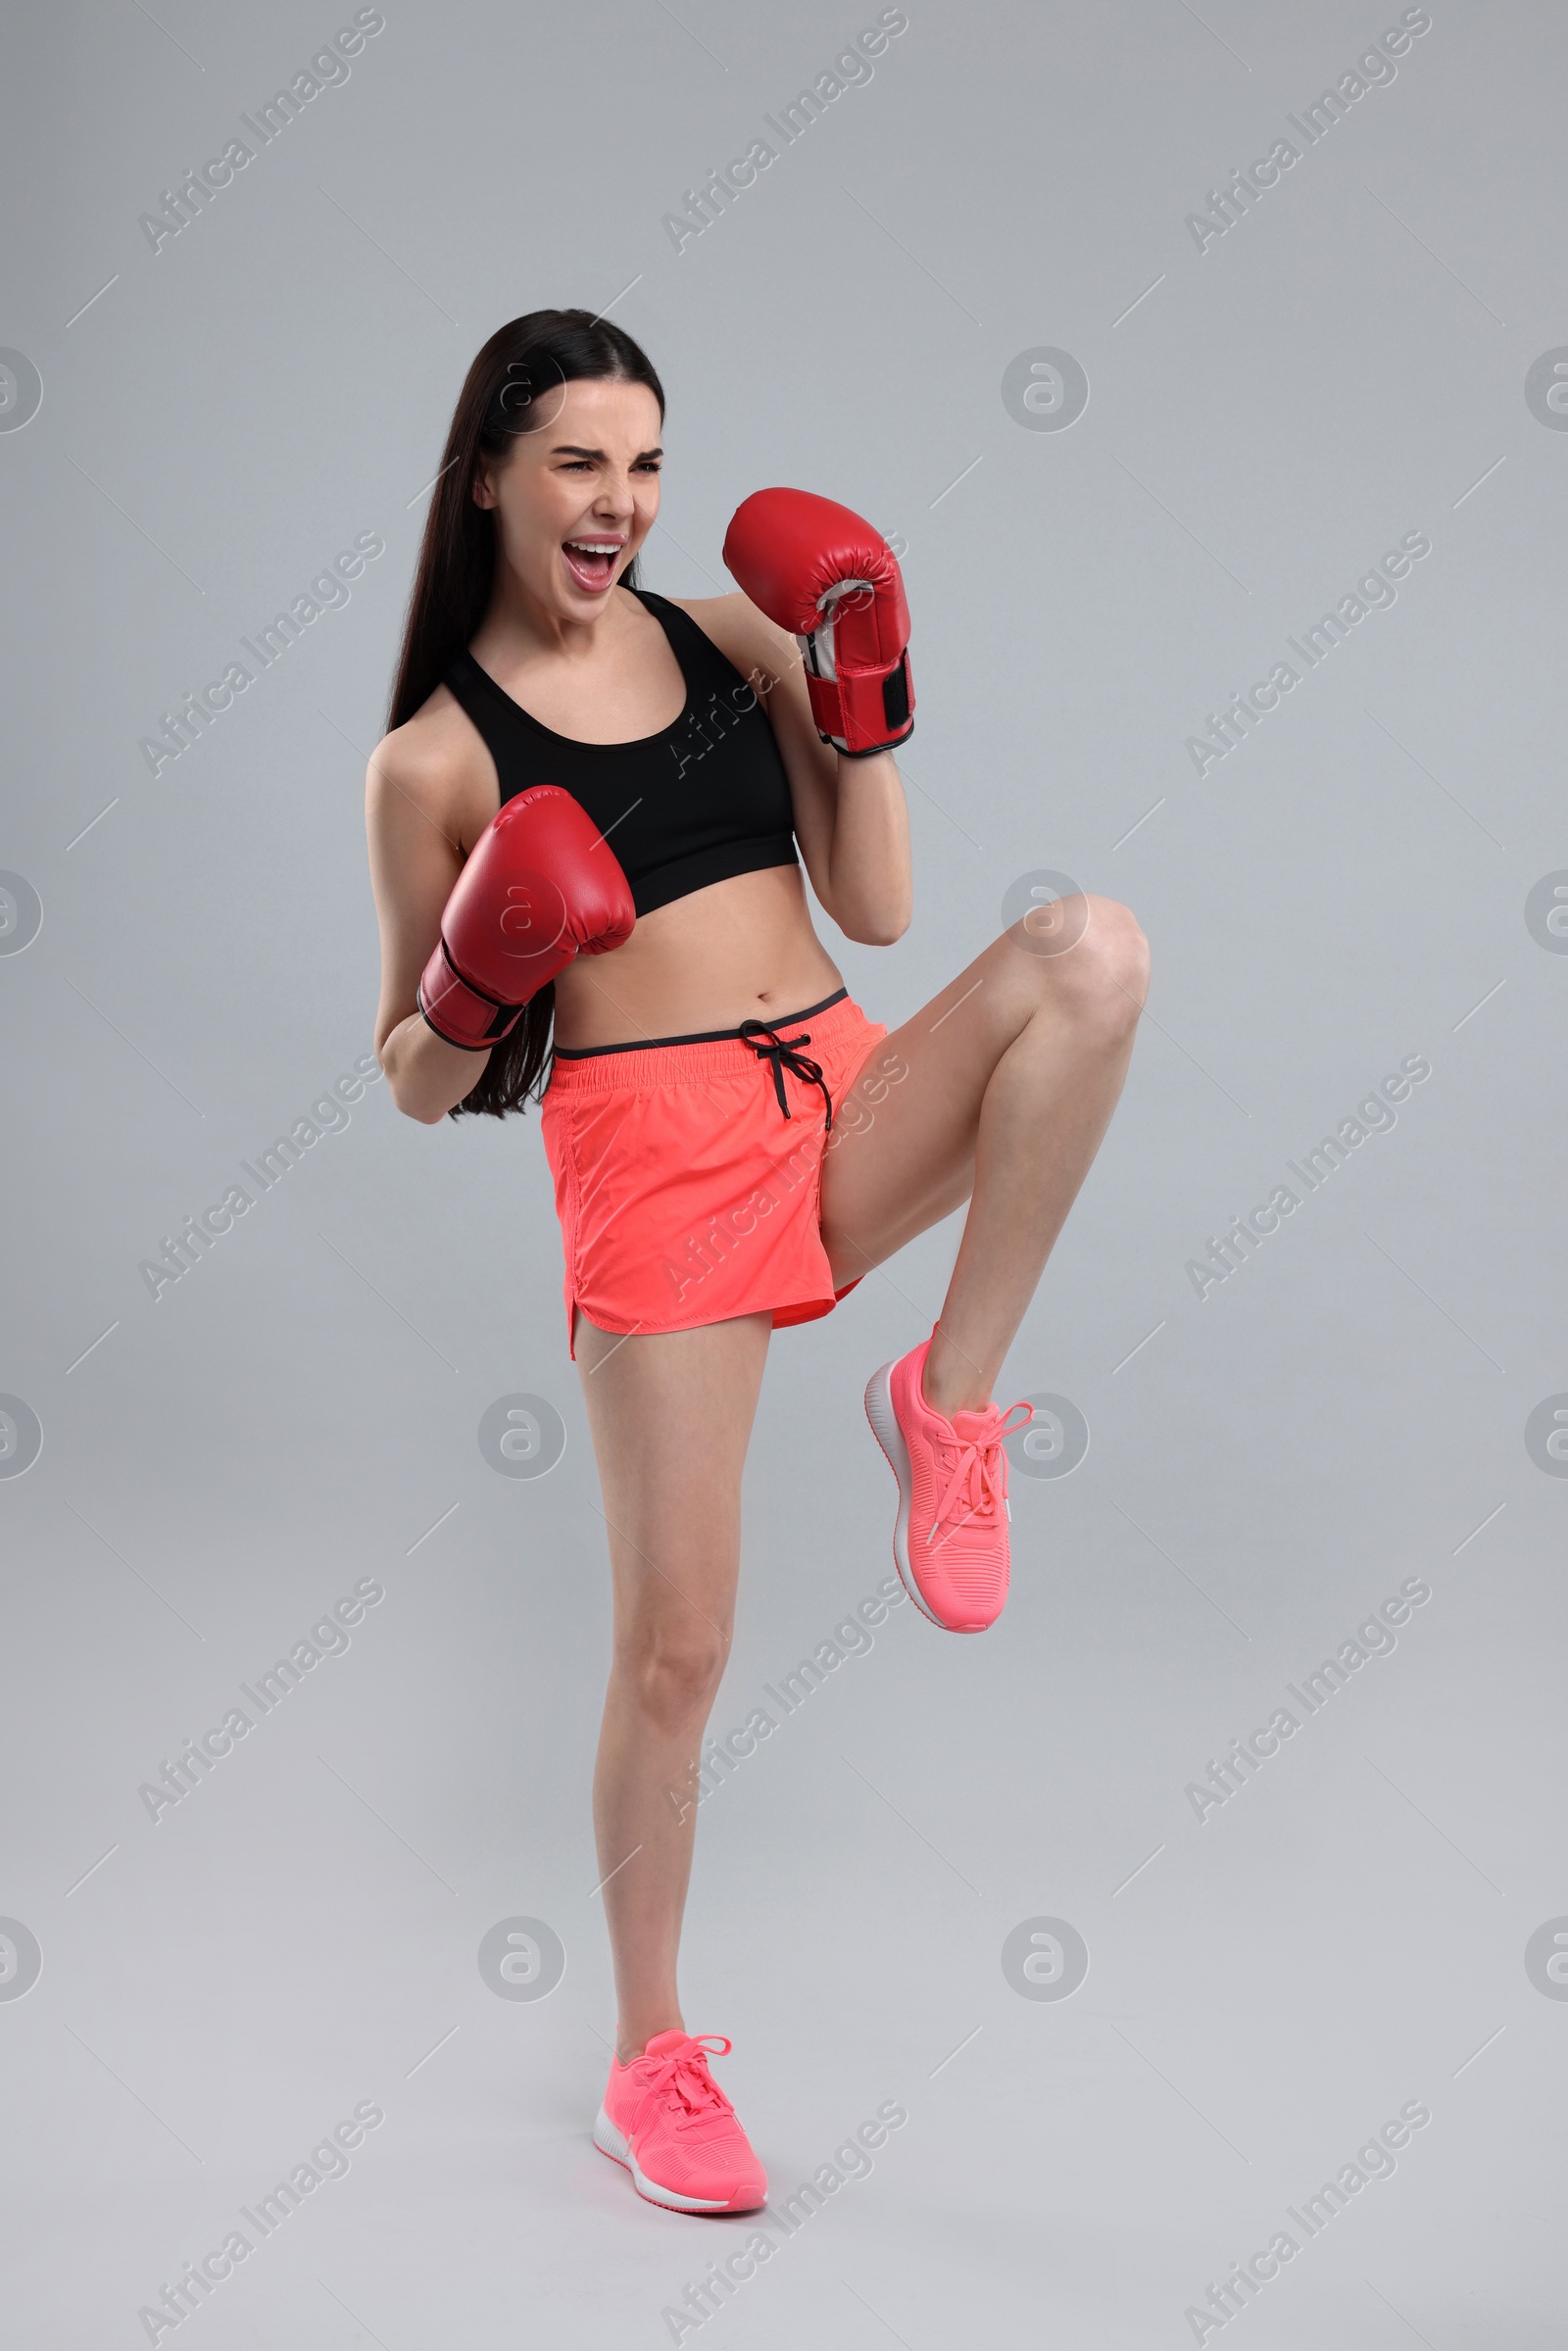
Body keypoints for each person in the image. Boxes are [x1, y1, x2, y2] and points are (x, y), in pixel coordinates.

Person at [366, 308, 1149, 2216]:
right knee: (676, 1654)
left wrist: (856, 688)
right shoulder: (429, 762)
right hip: (651, 1166)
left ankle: (946, 1398)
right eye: (577, 462)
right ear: (488, 474)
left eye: (643, 462)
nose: (618, 501)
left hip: (835, 1087)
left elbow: (875, 904)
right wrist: (485, 962)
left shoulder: (721, 641)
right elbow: (413, 1074)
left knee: (1091, 957)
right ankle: (651, 2053)